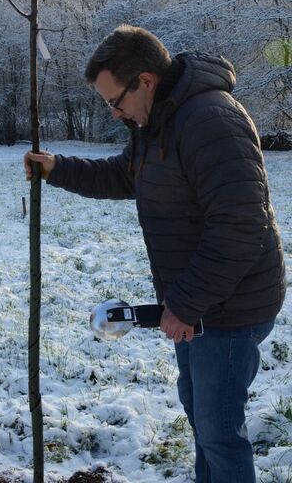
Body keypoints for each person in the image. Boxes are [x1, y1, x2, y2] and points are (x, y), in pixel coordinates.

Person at [24, 25, 286, 483]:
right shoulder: (155, 120)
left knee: (220, 432)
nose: (112, 113)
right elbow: (129, 177)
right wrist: (58, 169)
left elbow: (240, 227)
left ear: (145, 80)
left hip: (231, 305)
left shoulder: (210, 121)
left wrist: (185, 304)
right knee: (204, 423)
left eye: (115, 101)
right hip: (198, 303)